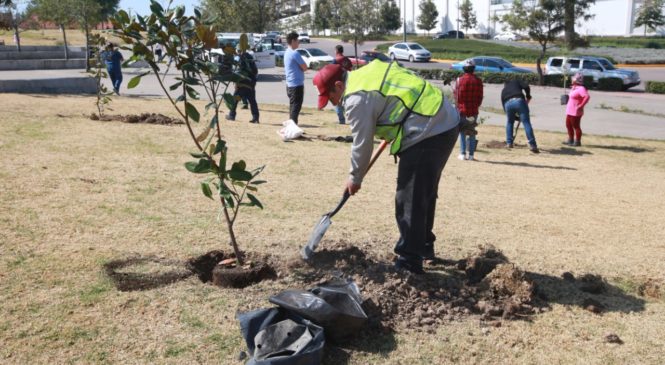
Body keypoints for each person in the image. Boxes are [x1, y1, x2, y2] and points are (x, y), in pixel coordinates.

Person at [313, 62, 459, 275]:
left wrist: (355, 178)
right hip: (443, 120)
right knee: (422, 193)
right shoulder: (365, 75)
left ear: (338, 85)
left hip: (428, 127)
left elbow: (362, 144)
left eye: (330, 97)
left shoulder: (356, 98)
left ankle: (410, 260)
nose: (331, 103)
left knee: (409, 196)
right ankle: (423, 247)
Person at [454, 59, 483, 161]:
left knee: (462, 131)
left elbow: (457, 97)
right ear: (473, 69)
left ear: (464, 69)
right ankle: (471, 155)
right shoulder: (478, 81)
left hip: (462, 110)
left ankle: (462, 153)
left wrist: (458, 107)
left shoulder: (459, 80)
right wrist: (476, 106)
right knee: (471, 131)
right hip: (473, 110)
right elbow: (480, 97)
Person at [501, 79, 539, 153]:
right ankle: (532, 145)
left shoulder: (503, 90)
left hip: (507, 104)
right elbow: (526, 86)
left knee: (510, 122)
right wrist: (528, 96)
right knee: (526, 122)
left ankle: (509, 143)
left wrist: (516, 118)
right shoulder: (516, 81)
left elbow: (505, 109)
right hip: (519, 101)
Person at [226, 50, 260, 123]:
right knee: (252, 101)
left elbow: (237, 72)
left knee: (235, 100)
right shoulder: (250, 57)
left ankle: (231, 115)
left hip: (241, 85)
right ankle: (255, 117)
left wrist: (236, 84)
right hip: (251, 84)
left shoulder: (238, 58)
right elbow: (255, 71)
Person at [283, 31, 307, 124]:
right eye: (297, 41)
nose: (299, 43)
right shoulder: (295, 53)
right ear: (293, 41)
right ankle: (292, 128)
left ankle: (292, 127)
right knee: (295, 108)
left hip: (289, 84)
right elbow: (304, 67)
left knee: (293, 107)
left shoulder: (286, 52)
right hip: (296, 84)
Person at [564, 73, 590, 147]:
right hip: (569, 110)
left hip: (575, 111)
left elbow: (587, 97)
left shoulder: (581, 88)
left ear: (577, 80)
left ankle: (577, 141)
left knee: (576, 126)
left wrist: (581, 105)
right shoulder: (574, 87)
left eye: (573, 78)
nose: (572, 79)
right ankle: (570, 139)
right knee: (568, 125)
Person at [332, 45, 353, 124]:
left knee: (338, 102)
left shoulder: (335, 60)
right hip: (346, 84)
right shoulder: (347, 59)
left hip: (337, 84)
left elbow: (331, 72)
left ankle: (342, 121)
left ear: (337, 51)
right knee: (346, 102)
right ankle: (351, 119)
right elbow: (351, 69)